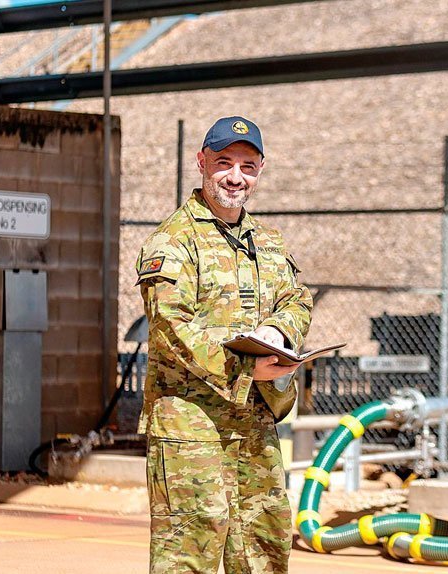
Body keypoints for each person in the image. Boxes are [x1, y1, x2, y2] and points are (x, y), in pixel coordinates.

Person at [135, 115, 313, 574]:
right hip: (191, 430)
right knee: (188, 555)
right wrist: (243, 369)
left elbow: (297, 298)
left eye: (248, 166)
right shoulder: (173, 242)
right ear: (201, 163)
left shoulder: (268, 244)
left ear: (260, 170)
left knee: (263, 549)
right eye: (224, 162)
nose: (236, 176)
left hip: (255, 423)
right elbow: (172, 327)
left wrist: (279, 334)